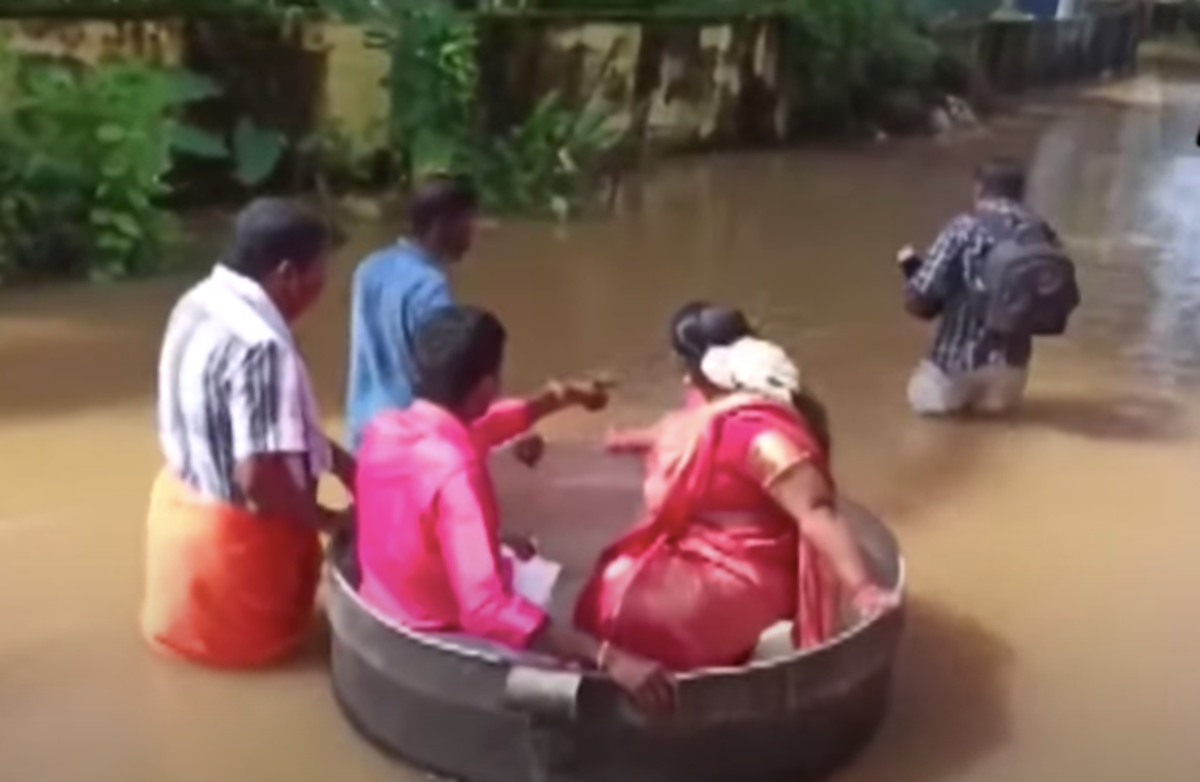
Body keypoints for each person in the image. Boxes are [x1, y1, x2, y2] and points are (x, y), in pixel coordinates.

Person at [355, 304, 675, 715]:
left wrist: (560, 398)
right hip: (441, 640)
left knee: (532, 567)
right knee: (583, 649)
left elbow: (485, 428)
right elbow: (486, 609)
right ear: (487, 384)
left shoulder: (383, 429)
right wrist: (609, 657)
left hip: (383, 613)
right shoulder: (457, 469)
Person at [576, 303, 897, 672]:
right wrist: (633, 439)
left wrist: (863, 588)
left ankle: (712, 657)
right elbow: (685, 430)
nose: (682, 379)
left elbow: (815, 513)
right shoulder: (716, 404)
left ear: (698, 369)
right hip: (708, 544)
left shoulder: (763, 438)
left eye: (683, 366)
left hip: (753, 565)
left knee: (627, 612)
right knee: (615, 579)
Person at [142, 198, 356, 669]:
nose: (323, 287)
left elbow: (264, 427)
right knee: (282, 668)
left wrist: (351, 470)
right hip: (235, 554)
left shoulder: (197, 301)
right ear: (288, 274)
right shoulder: (262, 345)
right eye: (321, 271)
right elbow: (260, 477)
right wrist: (328, 520)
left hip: (180, 523)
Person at [898, 156, 1072, 416]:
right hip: (1012, 372)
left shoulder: (963, 228)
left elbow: (921, 296)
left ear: (980, 188)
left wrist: (910, 268)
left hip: (956, 366)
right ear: (1021, 193)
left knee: (925, 415)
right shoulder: (1042, 233)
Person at [343, 175, 478, 451]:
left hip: (363, 431)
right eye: (467, 222)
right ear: (443, 225)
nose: (471, 233)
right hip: (408, 439)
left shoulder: (369, 267)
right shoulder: (429, 286)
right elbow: (443, 371)